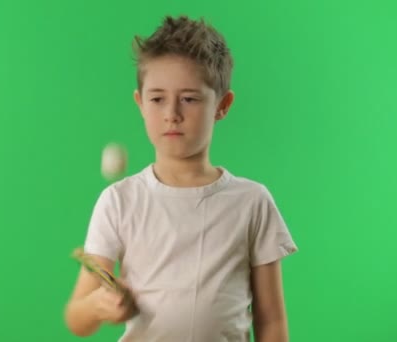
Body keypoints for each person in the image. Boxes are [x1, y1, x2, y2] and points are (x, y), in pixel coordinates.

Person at [64, 14, 298, 342]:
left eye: (189, 98)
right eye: (157, 99)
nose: (171, 113)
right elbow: (77, 320)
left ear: (222, 105)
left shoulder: (252, 202)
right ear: (140, 103)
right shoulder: (119, 201)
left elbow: (271, 321)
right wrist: (98, 306)